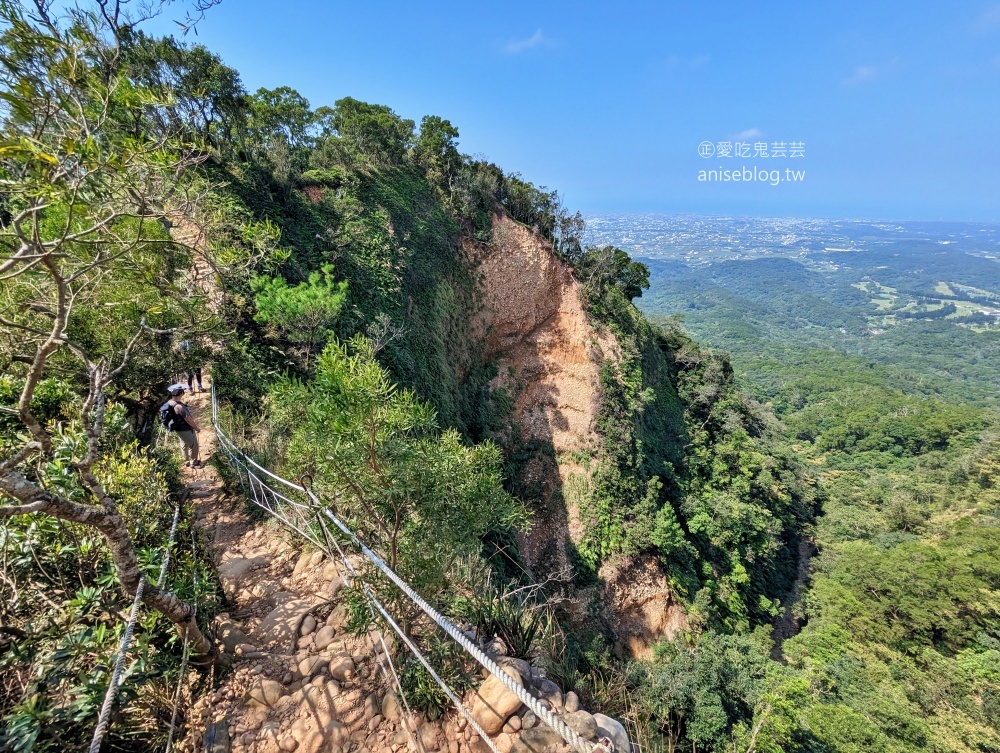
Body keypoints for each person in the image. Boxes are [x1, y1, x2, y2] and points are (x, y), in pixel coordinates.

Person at [160, 385, 201, 467]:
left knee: (183, 444)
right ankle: (194, 462)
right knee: (193, 444)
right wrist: (196, 428)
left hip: (177, 428)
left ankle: (186, 461)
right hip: (185, 428)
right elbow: (188, 419)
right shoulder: (178, 406)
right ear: (181, 393)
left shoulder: (170, 402)